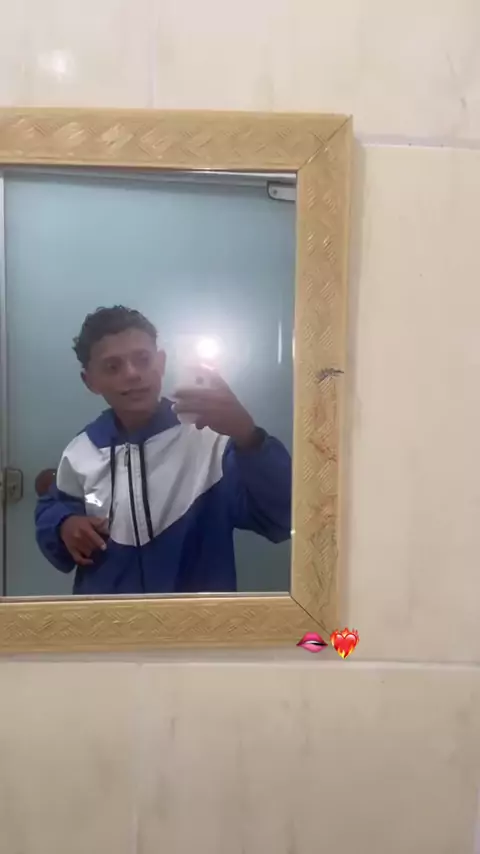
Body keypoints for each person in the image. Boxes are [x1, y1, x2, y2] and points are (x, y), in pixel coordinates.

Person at [35, 306, 292, 594]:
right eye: (112, 366)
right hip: (106, 616)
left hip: (197, 617)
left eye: (143, 360)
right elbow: (54, 505)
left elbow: (284, 515)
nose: (132, 374)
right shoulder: (82, 451)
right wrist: (64, 524)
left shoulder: (208, 442)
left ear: (161, 362)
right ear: (90, 381)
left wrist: (249, 436)